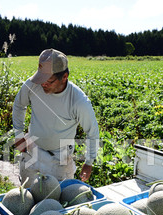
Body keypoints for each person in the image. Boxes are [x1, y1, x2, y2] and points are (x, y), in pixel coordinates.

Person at [12, 48, 99, 183]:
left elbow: (92, 132)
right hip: (31, 149)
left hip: (60, 158)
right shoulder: (33, 85)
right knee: (27, 196)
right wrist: (18, 134)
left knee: (56, 201)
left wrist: (89, 162)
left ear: (64, 77)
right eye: (41, 78)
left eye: (49, 81)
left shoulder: (78, 101)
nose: (43, 84)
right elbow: (19, 105)